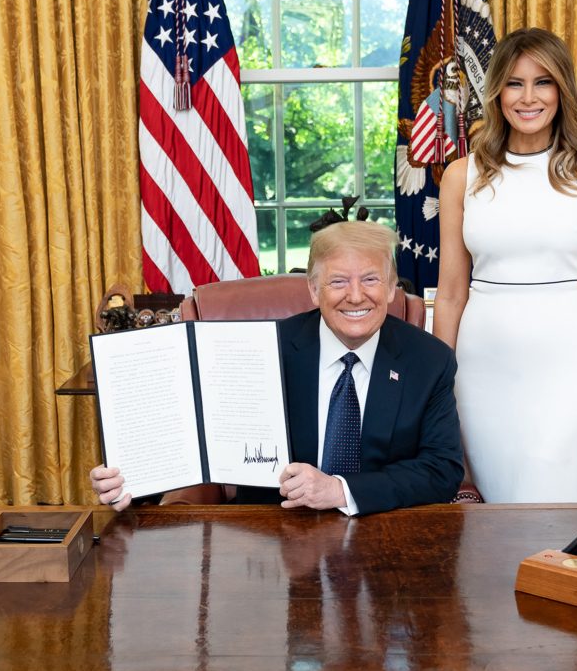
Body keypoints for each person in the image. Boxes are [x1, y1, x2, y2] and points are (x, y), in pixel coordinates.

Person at [90, 220, 464, 515]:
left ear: (393, 289)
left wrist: (340, 490)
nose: (355, 295)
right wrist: (134, 485)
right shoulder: (259, 350)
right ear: (314, 291)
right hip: (273, 535)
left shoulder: (429, 360)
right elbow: (200, 439)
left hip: (382, 534)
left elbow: (441, 470)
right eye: (338, 281)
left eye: (370, 280)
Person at [432, 27, 577, 503]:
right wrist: (439, 396)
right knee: (492, 514)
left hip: (570, 367)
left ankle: (552, 582)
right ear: (497, 91)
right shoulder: (462, 176)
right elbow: (451, 294)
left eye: (543, 82)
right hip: (480, 369)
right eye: (514, 83)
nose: (528, 97)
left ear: (562, 91)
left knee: (554, 511)